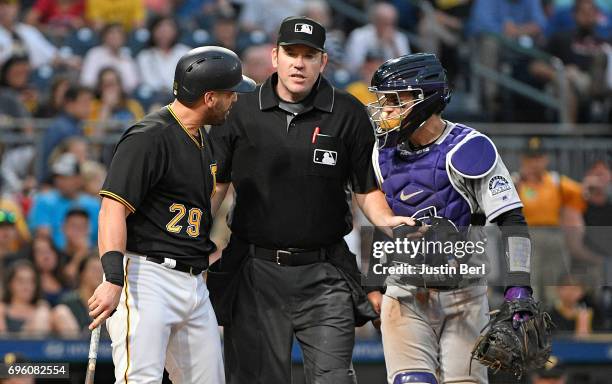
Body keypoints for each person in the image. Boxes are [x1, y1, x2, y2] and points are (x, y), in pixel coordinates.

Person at [208, 16, 415, 384]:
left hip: (325, 274)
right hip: (255, 271)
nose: (299, 63)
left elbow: (366, 189)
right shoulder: (239, 110)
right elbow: (216, 187)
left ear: (323, 62)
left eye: (309, 55)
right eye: (291, 53)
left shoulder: (349, 112)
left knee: (334, 378)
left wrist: (388, 222)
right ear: (275, 57)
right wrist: (189, 239)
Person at [86, 46, 255, 383]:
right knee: (141, 379)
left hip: (192, 281)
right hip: (146, 277)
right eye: (229, 93)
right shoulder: (149, 137)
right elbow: (111, 209)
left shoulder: (200, 138)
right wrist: (112, 277)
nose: (235, 99)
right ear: (209, 97)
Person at [367, 53, 533, 384]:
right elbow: (384, 224)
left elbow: (512, 220)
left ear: (423, 99)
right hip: (405, 290)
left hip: (464, 292)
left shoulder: (469, 148)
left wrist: (519, 286)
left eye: (394, 101)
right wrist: (373, 282)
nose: (384, 110)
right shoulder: (380, 152)